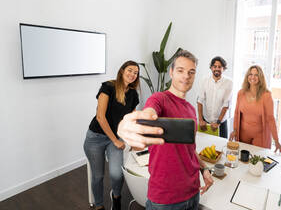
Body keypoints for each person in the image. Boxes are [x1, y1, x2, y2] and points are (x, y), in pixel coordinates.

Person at [117, 50, 214, 210]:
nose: (186, 76)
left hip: (193, 192)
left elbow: (190, 149)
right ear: (171, 72)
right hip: (165, 199)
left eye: (191, 72)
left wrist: (204, 169)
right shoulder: (159, 99)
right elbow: (150, 113)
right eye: (180, 70)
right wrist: (135, 124)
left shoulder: (190, 109)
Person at [83, 61, 140, 210]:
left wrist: (134, 139)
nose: (133, 74)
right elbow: (100, 117)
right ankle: (99, 205)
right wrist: (115, 140)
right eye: (130, 70)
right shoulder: (108, 87)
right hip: (96, 138)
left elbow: (131, 120)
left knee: (117, 174)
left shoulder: (133, 94)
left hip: (115, 139)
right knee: (98, 176)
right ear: (122, 71)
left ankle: (116, 197)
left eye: (136, 72)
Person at [229, 65, 281, 153]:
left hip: (260, 135)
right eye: (250, 74)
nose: (253, 77)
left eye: (256, 75)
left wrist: (276, 141)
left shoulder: (266, 95)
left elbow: (271, 119)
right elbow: (236, 113)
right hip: (243, 134)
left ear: (260, 77)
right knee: (242, 159)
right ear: (247, 76)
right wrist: (235, 130)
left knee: (257, 160)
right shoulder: (241, 93)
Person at [197, 56, 233, 138]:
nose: (217, 68)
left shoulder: (229, 82)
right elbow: (200, 100)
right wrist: (200, 120)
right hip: (206, 121)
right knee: (204, 146)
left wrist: (218, 122)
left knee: (221, 147)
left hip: (221, 122)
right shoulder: (204, 80)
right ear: (211, 68)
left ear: (223, 68)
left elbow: (226, 104)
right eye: (215, 66)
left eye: (219, 67)